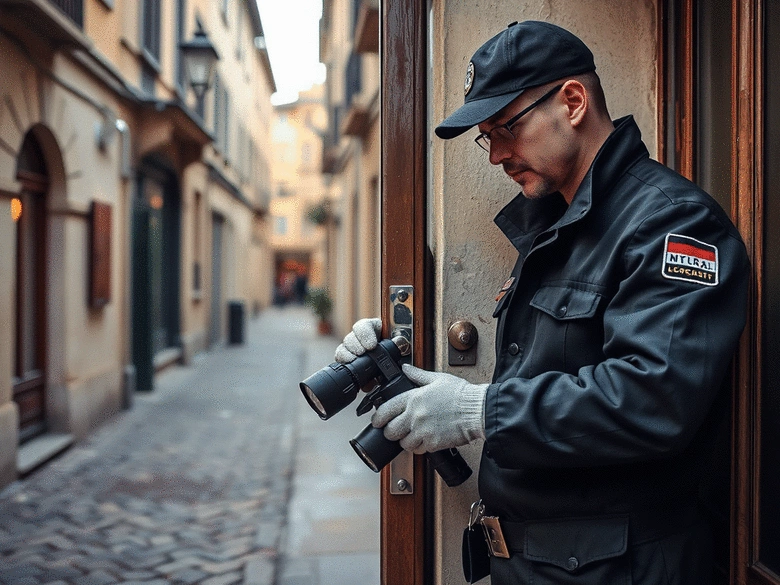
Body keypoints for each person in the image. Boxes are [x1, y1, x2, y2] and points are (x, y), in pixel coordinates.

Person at [335, 20, 749, 584]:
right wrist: (406, 373)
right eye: (487, 136)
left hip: (619, 570)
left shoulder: (672, 222)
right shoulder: (558, 225)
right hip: (544, 562)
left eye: (507, 127)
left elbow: (654, 399)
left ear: (573, 102)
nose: (496, 155)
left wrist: (480, 411)